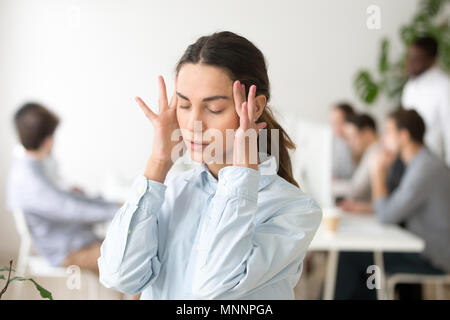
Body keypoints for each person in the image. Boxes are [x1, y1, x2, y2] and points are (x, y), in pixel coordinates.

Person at [98, 31, 322, 300]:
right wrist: (157, 163)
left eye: (214, 108)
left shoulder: (294, 210)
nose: (193, 124)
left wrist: (241, 174)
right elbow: (120, 276)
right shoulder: (171, 189)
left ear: (256, 107)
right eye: (184, 104)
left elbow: (215, 289)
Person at [335, 109, 450, 300]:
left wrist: (377, 172)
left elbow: (387, 216)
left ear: (403, 136)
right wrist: (365, 208)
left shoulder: (424, 169)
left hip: (433, 256)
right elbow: (398, 206)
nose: (383, 139)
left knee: (353, 257)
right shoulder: (420, 163)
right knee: (361, 255)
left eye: (388, 132)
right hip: (420, 246)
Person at [7, 103, 121, 275]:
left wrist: (111, 204)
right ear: (48, 140)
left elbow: (69, 199)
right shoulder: (31, 180)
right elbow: (74, 209)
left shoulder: (33, 166)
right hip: (67, 250)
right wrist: (120, 209)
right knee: (134, 257)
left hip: (73, 238)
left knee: (132, 251)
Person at [402, 36, 450, 167]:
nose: (410, 63)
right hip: (410, 161)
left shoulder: (444, 86)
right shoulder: (410, 87)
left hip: (435, 164)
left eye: (416, 59)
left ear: (431, 60)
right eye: (409, 57)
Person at [333, 113, 380, 208]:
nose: (349, 143)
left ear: (367, 133)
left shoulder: (375, 152)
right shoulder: (370, 151)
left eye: (352, 137)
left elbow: (355, 189)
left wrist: (328, 185)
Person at [330, 102, 356, 180]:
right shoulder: (336, 142)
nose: (333, 127)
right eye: (332, 122)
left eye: (337, 122)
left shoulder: (356, 146)